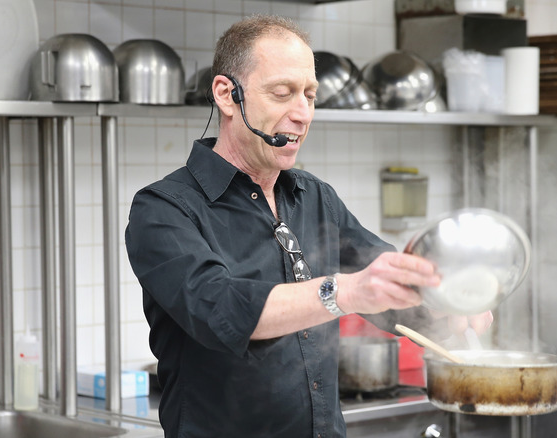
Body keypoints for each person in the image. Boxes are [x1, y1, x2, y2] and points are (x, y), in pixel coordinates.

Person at [125, 14, 491, 438]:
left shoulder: (317, 198)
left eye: (310, 96)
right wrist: (347, 291)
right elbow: (220, 310)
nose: (302, 114)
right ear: (227, 95)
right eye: (282, 93)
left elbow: (387, 290)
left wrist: (447, 307)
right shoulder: (164, 209)